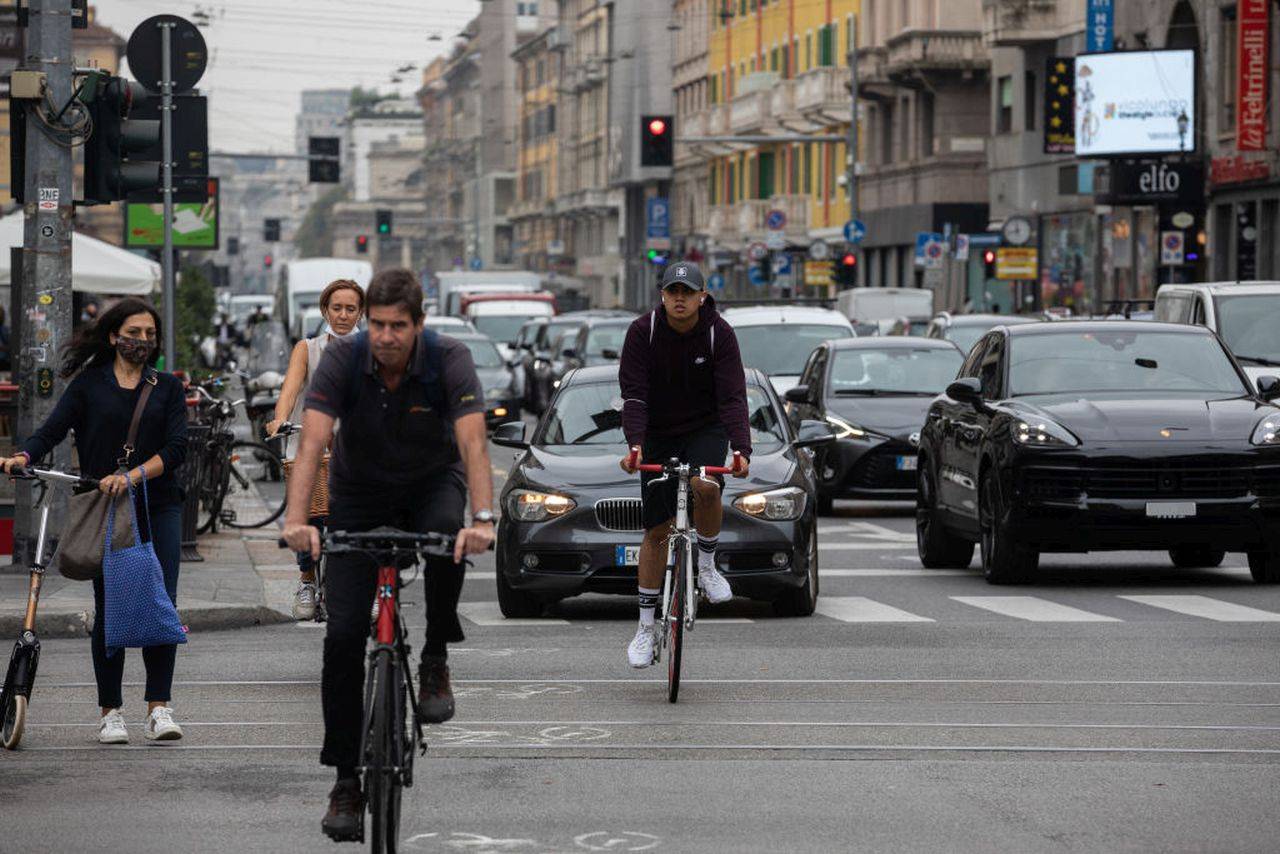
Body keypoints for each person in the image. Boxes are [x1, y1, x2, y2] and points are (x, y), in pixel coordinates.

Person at [280, 268, 496, 841]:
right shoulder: (343, 359)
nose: (385, 336)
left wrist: (483, 518)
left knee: (450, 535)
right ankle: (346, 782)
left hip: (432, 482)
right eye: (376, 324)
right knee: (342, 637)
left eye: (397, 326)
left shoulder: (448, 359)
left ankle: (433, 656)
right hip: (359, 491)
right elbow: (313, 441)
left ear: (418, 325)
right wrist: (297, 520)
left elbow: (474, 441)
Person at [0, 298, 188, 744]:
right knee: (114, 605)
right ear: (113, 336)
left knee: (161, 602)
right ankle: (111, 712)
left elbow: (178, 446)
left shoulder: (167, 387)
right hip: (106, 508)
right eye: (134, 332)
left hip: (158, 505)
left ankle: (159, 707)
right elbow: (52, 429)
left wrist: (136, 474)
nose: (142, 340)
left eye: (149, 334)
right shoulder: (89, 386)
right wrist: (25, 455)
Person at [617, 261, 751, 668]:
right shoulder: (644, 332)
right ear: (662, 295)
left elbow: (732, 397)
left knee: (706, 486)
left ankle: (707, 567)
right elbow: (634, 395)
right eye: (673, 291)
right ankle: (645, 626)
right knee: (657, 530)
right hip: (656, 432)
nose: (679, 298)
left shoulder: (718, 334)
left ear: (702, 296)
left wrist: (741, 449)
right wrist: (635, 445)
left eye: (687, 292)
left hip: (705, 428)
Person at [265, 279, 365, 620]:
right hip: (310, 445)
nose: (343, 315)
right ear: (325, 311)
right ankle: (307, 579)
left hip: (357, 450)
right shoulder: (307, 349)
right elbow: (291, 390)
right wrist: (279, 419)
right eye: (336, 308)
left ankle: (369, 586)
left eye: (350, 308)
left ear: (360, 312)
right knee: (309, 518)